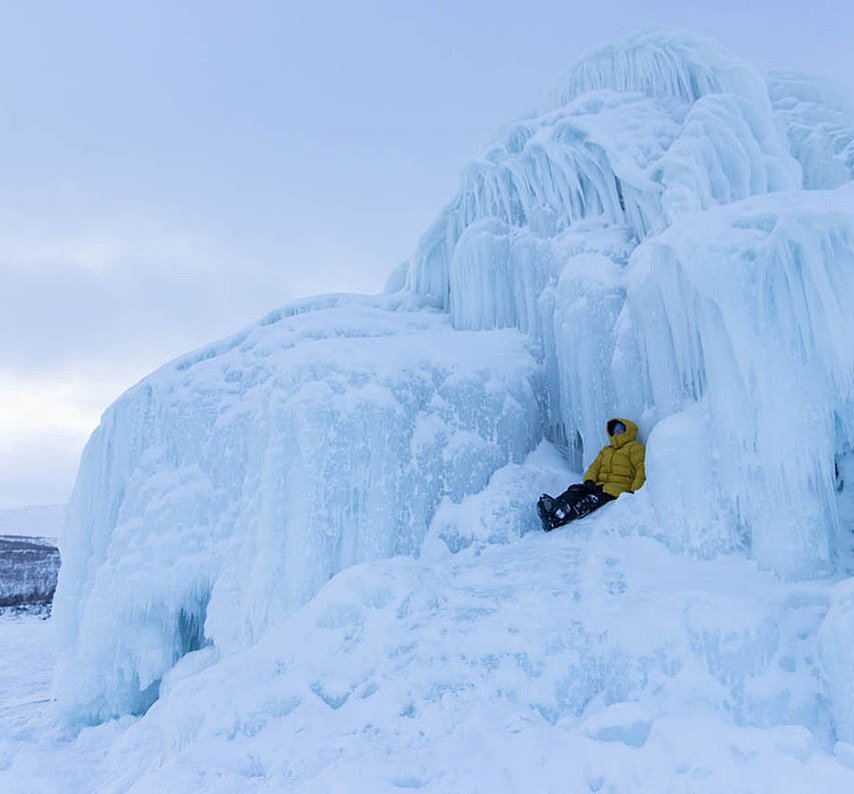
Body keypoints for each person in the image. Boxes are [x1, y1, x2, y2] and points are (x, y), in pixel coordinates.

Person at [537, 417, 646, 532]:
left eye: (620, 429)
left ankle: (557, 520)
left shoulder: (635, 448)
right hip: (599, 485)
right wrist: (589, 480)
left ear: (628, 431)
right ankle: (557, 507)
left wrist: (634, 492)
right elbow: (594, 467)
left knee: (588, 502)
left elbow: (641, 469)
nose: (617, 432)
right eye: (615, 430)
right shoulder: (607, 450)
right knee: (575, 490)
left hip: (616, 489)